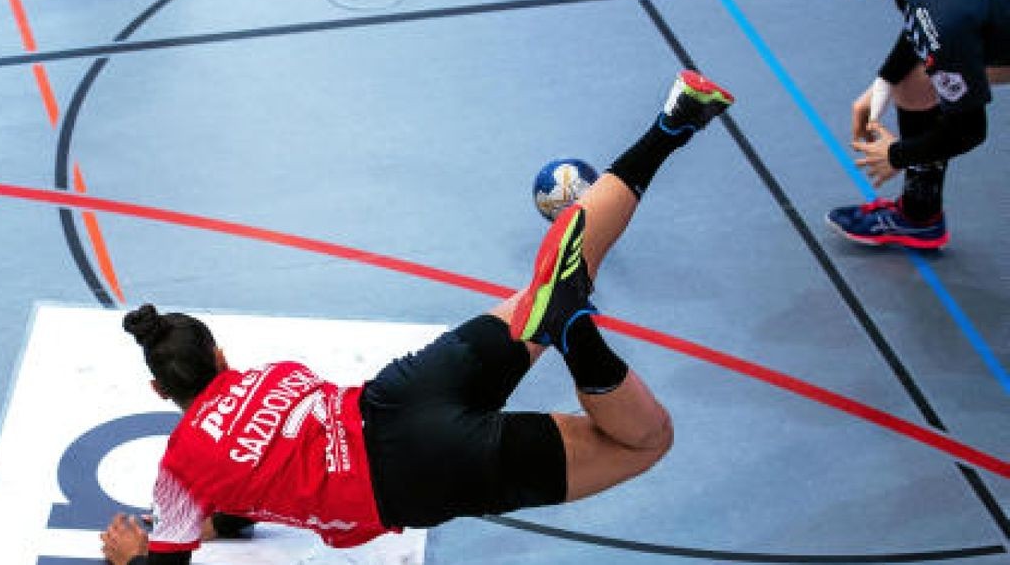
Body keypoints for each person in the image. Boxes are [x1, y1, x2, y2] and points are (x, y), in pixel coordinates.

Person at [99, 71, 736, 565]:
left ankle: (576, 334)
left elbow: (190, 536)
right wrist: (216, 520)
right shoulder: (270, 376)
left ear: (160, 390)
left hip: (417, 474)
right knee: (546, 285)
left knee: (646, 441)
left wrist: (135, 556)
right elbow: (245, 493)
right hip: (403, 392)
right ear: (219, 357)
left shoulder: (182, 470)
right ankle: (674, 121)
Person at [818, 0, 1010, 249]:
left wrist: (897, 155)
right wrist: (884, 82)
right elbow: (919, 27)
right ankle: (919, 216)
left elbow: (968, 129)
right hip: (992, 16)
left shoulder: (942, 11)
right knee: (913, 82)